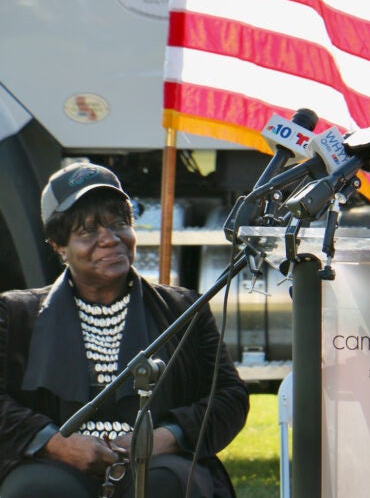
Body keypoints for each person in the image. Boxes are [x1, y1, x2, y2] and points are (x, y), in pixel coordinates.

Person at [0, 162, 250, 497]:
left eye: (119, 224)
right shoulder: (15, 314)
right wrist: (54, 443)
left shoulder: (182, 309)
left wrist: (166, 437)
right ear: (60, 246)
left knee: (166, 483)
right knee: (35, 489)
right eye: (88, 232)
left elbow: (229, 397)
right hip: (53, 462)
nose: (110, 240)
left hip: (160, 461)